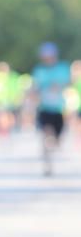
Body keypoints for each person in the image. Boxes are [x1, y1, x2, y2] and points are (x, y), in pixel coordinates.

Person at [31, 42, 71, 176]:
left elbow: (68, 82)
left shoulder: (62, 68)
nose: (48, 59)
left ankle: (53, 144)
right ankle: (47, 164)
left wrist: (58, 86)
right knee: (46, 136)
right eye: (45, 57)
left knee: (56, 140)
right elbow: (35, 88)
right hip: (44, 109)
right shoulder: (39, 70)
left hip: (59, 110)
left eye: (50, 56)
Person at [0, 61, 24, 135]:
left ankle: (7, 129)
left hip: (11, 101)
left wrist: (19, 97)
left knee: (10, 117)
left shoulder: (14, 76)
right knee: (2, 116)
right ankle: (2, 131)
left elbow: (19, 88)